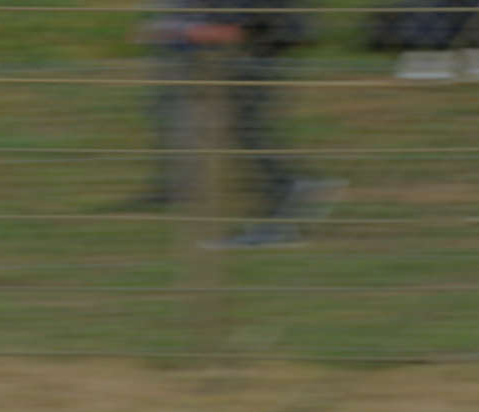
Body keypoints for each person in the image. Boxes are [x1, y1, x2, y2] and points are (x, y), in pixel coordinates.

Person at [127, 2, 334, 247]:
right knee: (245, 130)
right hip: (260, 50)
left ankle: (287, 205)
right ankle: (288, 200)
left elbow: (233, 30)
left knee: (247, 132)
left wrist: (175, 31)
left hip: (259, 53)